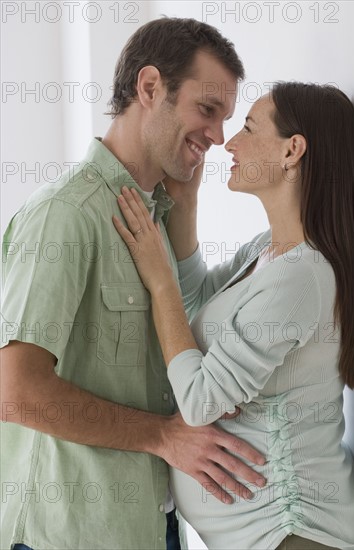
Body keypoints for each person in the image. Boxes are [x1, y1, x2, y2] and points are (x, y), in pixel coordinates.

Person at [0, 17, 268, 550]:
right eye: (208, 111)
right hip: (70, 535)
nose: (218, 136)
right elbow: (16, 391)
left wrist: (185, 201)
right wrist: (165, 435)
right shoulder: (67, 215)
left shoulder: (155, 216)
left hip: (149, 526)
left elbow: (186, 326)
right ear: (149, 88)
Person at [113, 82, 354, 549]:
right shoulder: (268, 252)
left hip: (293, 533)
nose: (230, 143)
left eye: (249, 128)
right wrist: (186, 202)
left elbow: (199, 399)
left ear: (293, 150)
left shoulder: (302, 277)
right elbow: (198, 301)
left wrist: (159, 280)